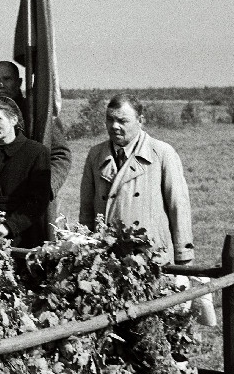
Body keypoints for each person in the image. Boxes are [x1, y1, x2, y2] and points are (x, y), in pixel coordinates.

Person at [79, 94, 194, 265]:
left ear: (140, 120)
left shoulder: (161, 153)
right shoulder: (96, 155)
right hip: (108, 260)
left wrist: (184, 258)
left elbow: (178, 207)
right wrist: (85, 252)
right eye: (110, 120)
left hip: (152, 258)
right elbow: (87, 210)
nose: (114, 126)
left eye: (122, 121)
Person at [0, 60, 71, 237]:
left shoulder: (37, 112)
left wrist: (44, 188)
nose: (1, 84)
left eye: (7, 79)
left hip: (29, 205)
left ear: (19, 82)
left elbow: (60, 154)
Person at [0, 97, 51, 248]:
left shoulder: (36, 152)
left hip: (23, 235)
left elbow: (38, 201)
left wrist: (9, 226)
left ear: (14, 120)